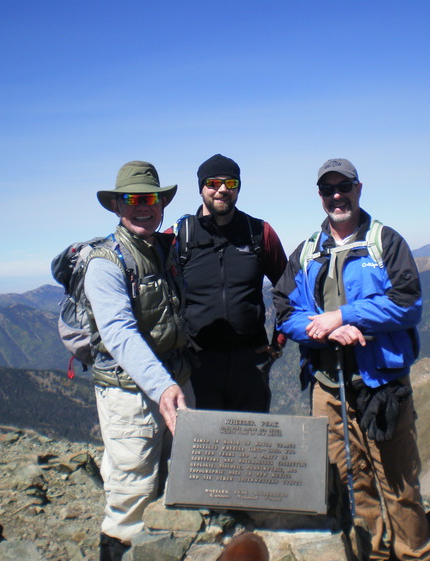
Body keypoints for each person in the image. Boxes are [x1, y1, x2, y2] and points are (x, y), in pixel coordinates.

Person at [273, 158, 430, 561]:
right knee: (350, 482)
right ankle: (373, 553)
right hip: (327, 389)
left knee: (397, 485)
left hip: (380, 386)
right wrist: (328, 328)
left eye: (343, 187)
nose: (336, 196)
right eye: (328, 190)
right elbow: (283, 311)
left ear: (358, 188)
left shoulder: (386, 241)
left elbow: (408, 304)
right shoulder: (309, 250)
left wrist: (346, 315)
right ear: (320, 196)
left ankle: (416, 554)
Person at [84, 161, 193, 561]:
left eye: (151, 198)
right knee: (130, 501)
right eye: (133, 199)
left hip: (177, 384)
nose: (143, 207)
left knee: (177, 485)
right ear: (117, 205)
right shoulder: (105, 262)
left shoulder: (164, 251)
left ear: (161, 204)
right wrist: (163, 386)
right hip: (131, 396)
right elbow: (118, 333)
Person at [173, 154, 288, 413]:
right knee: (201, 448)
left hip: (251, 361)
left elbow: (288, 288)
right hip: (197, 364)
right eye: (213, 183)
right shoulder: (180, 237)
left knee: (251, 445)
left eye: (231, 183)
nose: (222, 190)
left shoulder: (260, 232)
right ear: (201, 188)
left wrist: (278, 343)